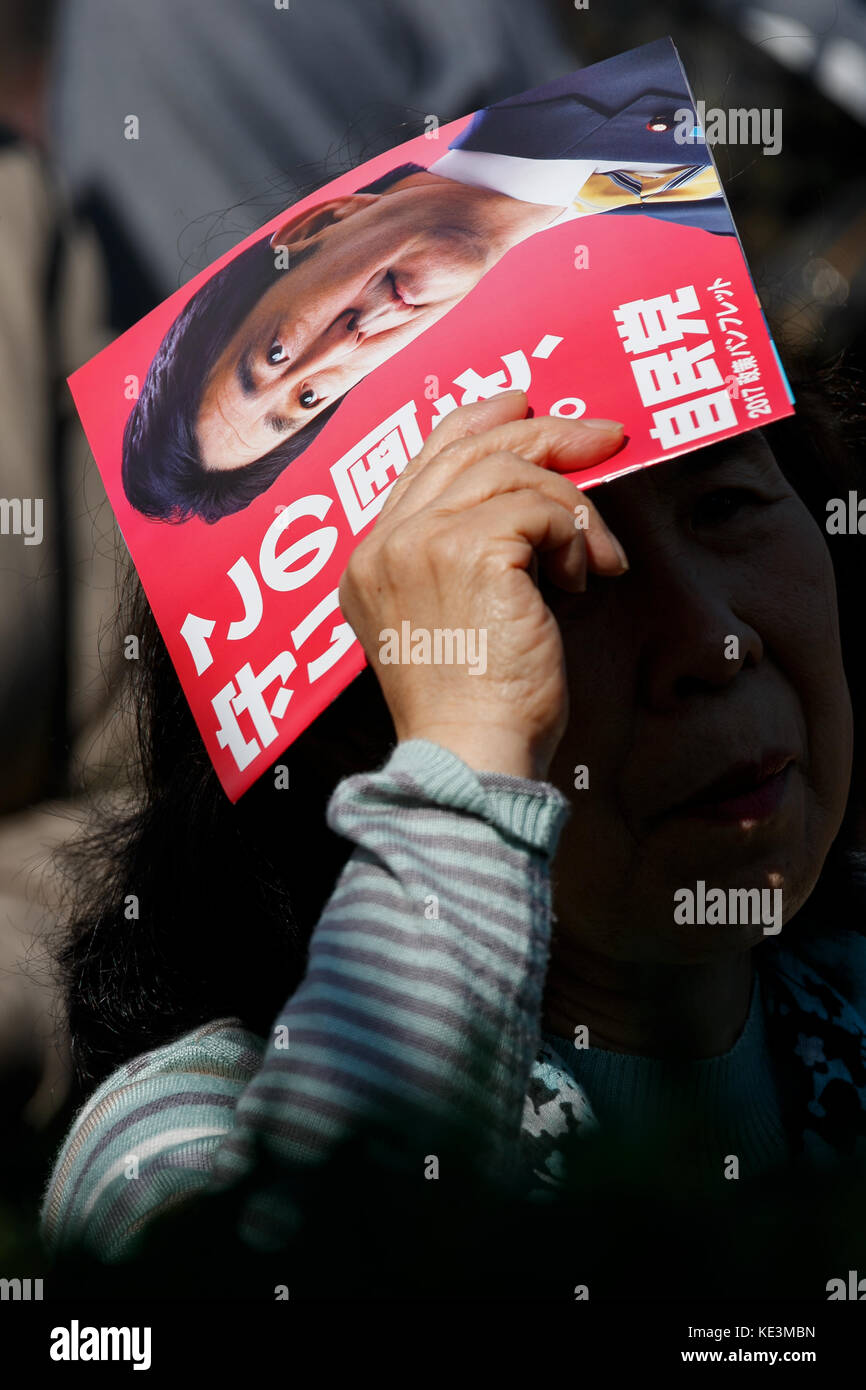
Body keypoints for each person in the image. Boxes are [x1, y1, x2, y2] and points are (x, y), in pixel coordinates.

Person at [40, 385, 866, 1272]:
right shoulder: (176, 1149)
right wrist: (471, 763)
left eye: (725, 504)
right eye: (550, 574)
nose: (712, 642)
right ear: (356, 738)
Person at [122, 40, 730, 525]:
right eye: (309, 400)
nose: (344, 344)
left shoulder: (512, 66)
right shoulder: (661, 280)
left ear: (317, 225)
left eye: (275, 352)